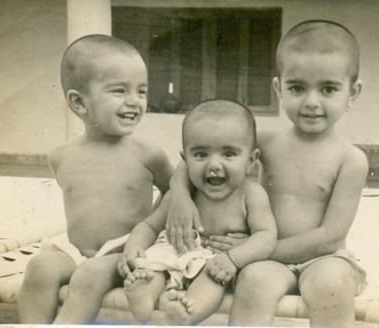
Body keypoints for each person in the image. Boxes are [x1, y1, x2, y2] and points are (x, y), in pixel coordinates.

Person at [167, 20, 369, 328]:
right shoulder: (267, 142)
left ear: (352, 93)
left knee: (333, 285)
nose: (312, 102)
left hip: (322, 258)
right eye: (297, 88)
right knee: (254, 282)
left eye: (328, 89)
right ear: (278, 89)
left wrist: (250, 249)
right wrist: (181, 197)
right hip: (265, 260)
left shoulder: (350, 159)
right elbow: (199, 158)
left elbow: (330, 237)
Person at [17, 34, 173, 324]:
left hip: (123, 254)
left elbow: (175, 191)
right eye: (119, 91)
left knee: (89, 276)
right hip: (76, 250)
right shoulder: (61, 156)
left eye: (141, 91)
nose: (134, 101)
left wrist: (148, 228)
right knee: (40, 267)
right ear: (79, 102)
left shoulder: (147, 154)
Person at [118, 99, 277, 325]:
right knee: (151, 269)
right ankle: (143, 297)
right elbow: (150, 225)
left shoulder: (251, 194)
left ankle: (187, 310)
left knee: (213, 279)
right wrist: (134, 247)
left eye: (229, 154)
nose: (214, 164)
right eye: (201, 155)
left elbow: (267, 236)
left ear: (250, 161)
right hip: (173, 253)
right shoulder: (181, 197)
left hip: (215, 262)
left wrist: (233, 259)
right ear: (185, 159)